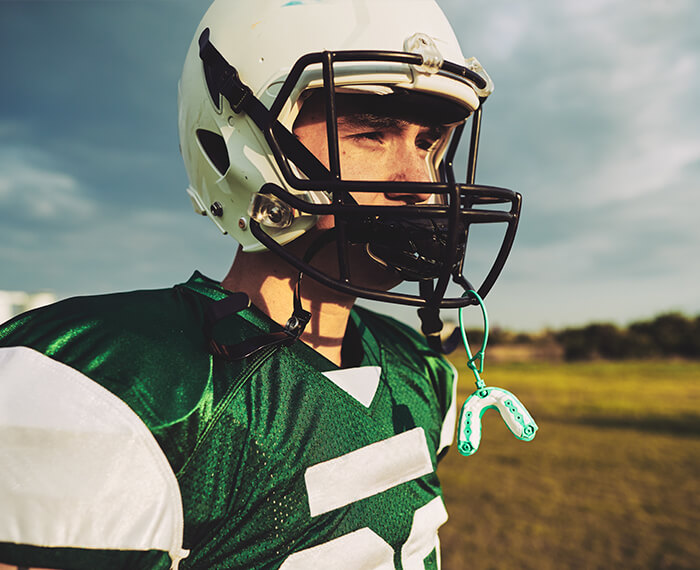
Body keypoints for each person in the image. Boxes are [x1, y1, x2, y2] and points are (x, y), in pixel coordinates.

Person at [0, 0, 521, 568]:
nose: (419, 183)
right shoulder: (119, 392)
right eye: (372, 134)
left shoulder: (420, 372)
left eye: (428, 144)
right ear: (239, 142)